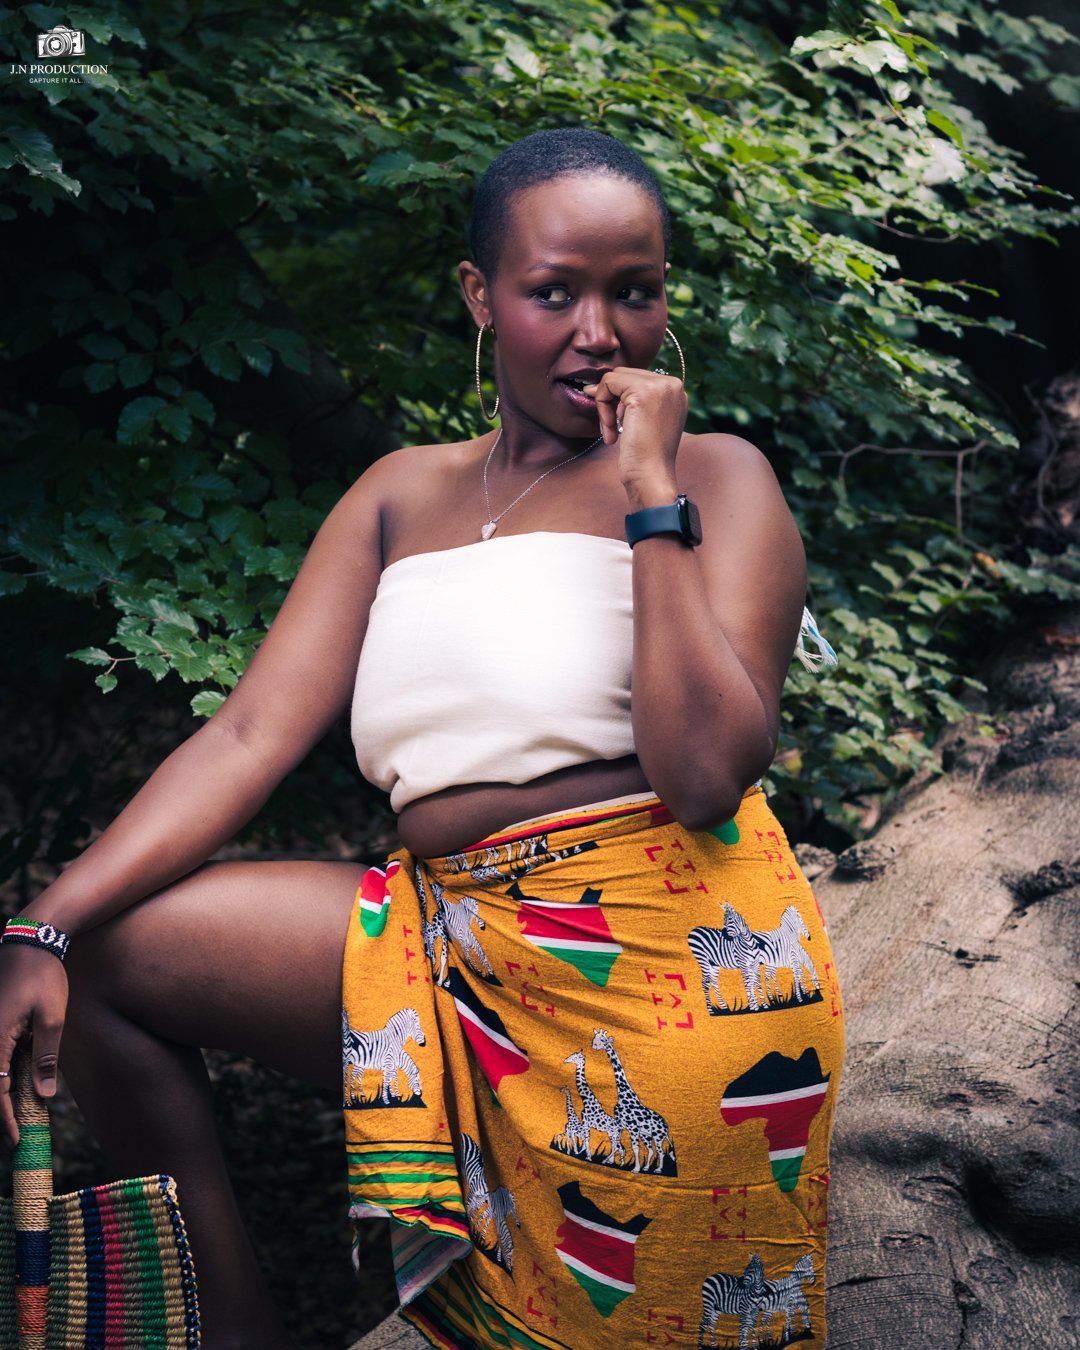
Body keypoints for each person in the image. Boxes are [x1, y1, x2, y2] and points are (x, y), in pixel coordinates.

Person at [0, 128, 843, 1350]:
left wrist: (652, 493)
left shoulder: (719, 474)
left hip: (676, 961)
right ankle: (239, 1333)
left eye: (635, 292)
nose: (598, 332)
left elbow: (707, 772)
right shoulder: (401, 492)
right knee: (119, 959)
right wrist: (41, 922)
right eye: (555, 292)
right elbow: (246, 735)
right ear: (481, 297)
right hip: (442, 938)